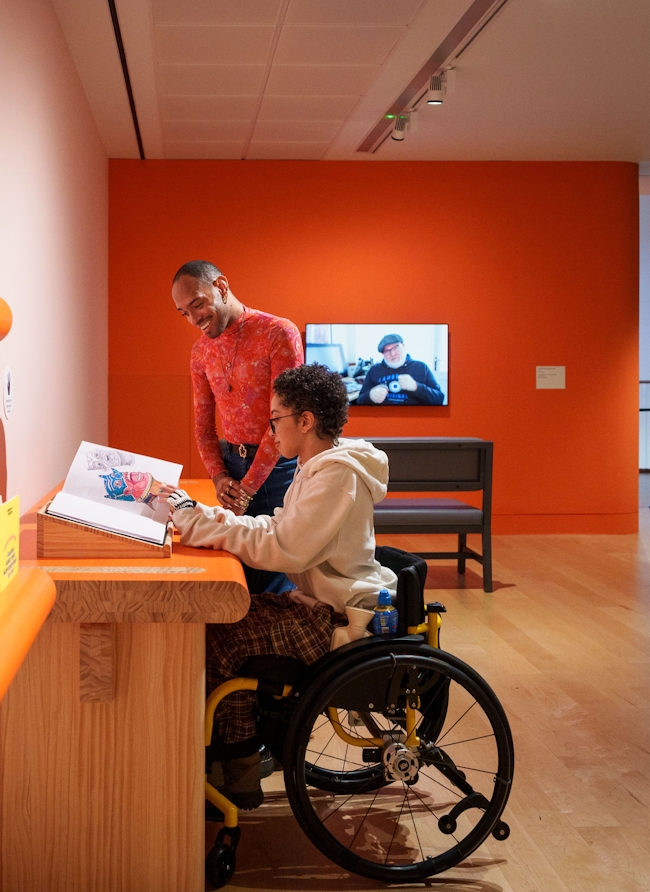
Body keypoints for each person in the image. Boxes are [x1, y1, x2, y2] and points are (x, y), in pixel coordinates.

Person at [159, 364, 398, 809]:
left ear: (304, 421)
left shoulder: (335, 475)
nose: (269, 432)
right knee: (220, 625)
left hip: (338, 616)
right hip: (320, 603)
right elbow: (277, 528)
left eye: (275, 420)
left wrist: (199, 522)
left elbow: (284, 548)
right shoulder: (318, 467)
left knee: (222, 641)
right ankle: (231, 762)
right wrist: (207, 518)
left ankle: (236, 774)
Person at [171, 260, 303, 593]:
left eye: (197, 304)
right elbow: (202, 426)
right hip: (231, 467)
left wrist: (247, 487)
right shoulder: (200, 351)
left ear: (221, 286)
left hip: (278, 468)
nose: (193, 318)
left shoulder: (277, 332)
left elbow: (283, 420)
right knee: (237, 567)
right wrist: (219, 477)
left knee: (275, 565)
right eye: (183, 312)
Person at [355, 333, 445, 406]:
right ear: (383, 354)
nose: (393, 353)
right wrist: (370, 396)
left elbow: (439, 399)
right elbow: (359, 401)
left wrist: (416, 387)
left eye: (396, 348)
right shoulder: (374, 370)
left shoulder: (421, 368)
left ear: (404, 346)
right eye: (387, 351)